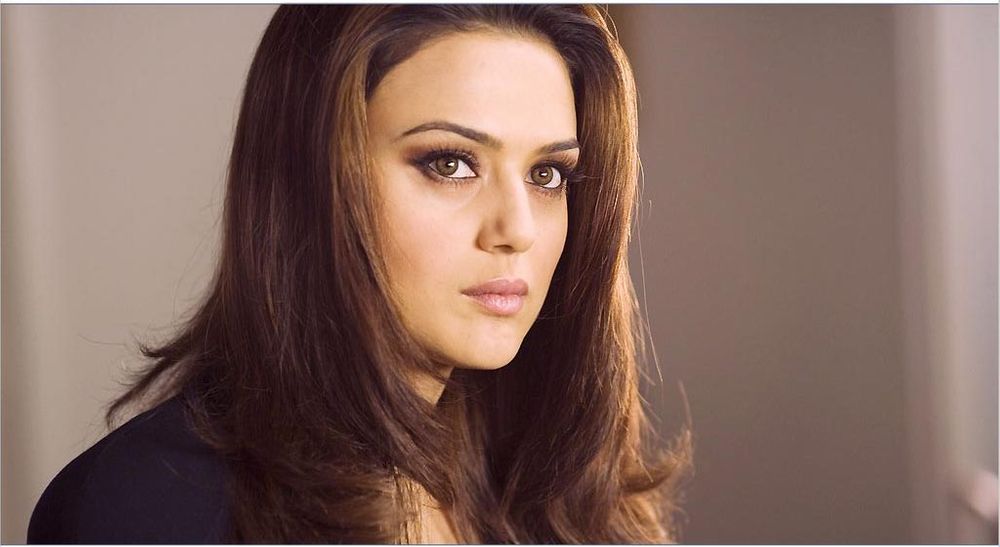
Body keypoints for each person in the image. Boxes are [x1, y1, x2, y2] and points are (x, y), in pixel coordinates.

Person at [27, 5, 692, 543]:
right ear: (311, 180)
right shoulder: (147, 505)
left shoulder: (561, 493)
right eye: (449, 163)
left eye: (547, 174)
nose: (517, 229)